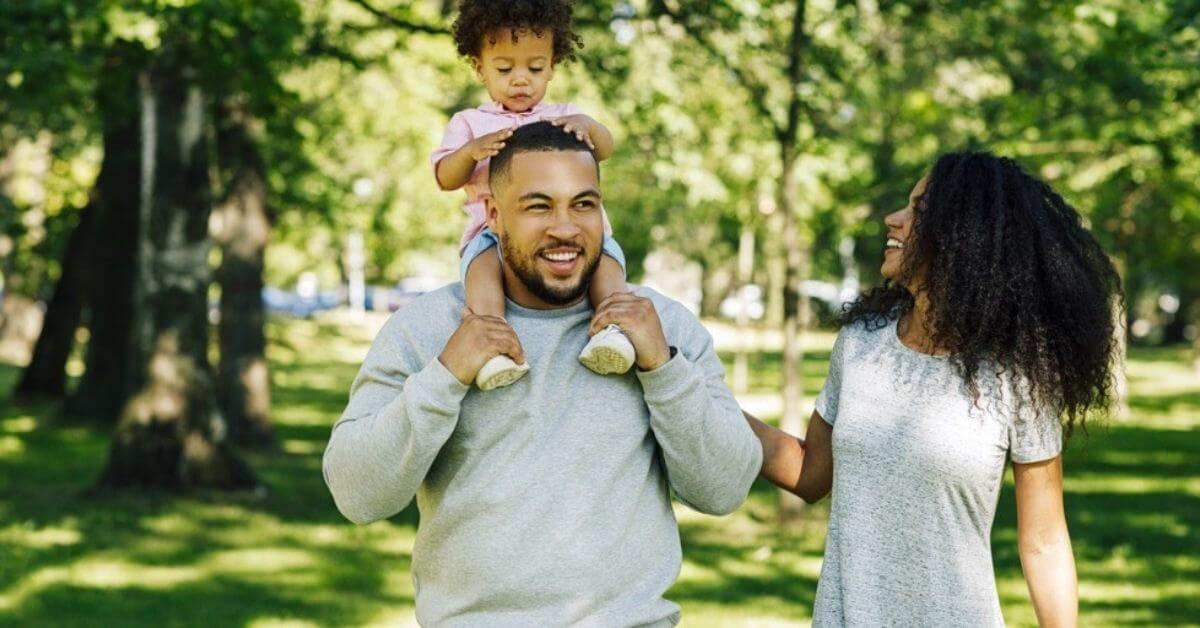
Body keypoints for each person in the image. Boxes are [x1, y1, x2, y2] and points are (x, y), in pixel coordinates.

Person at [323, 122, 763, 626]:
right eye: (538, 206)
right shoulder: (426, 329)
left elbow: (725, 488)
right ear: (493, 215)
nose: (565, 228)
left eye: (583, 204)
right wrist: (446, 376)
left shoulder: (660, 327)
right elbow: (357, 495)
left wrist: (661, 367)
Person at [747, 151, 1121, 627]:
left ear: (965, 239)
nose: (894, 220)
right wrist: (693, 395)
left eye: (918, 211)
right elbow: (811, 474)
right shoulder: (860, 344)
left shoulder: (1020, 375)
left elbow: (1044, 540)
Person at [432, 0, 635, 390]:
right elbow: (444, 176)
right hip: (491, 232)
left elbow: (605, 149)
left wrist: (589, 126)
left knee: (607, 263)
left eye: (535, 68)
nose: (521, 80)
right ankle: (494, 346)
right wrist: (470, 152)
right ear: (479, 68)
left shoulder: (562, 116)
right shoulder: (470, 123)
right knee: (482, 275)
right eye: (505, 69)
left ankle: (613, 330)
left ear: (552, 67)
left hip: (570, 230)